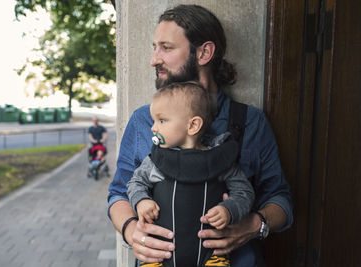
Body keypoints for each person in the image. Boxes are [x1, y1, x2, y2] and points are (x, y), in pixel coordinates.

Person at [108, 4, 293, 266]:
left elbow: (281, 200)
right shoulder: (143, 120)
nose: (154, 59)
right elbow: (118, 193)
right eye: (154, 47)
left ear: (204, 52)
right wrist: (131, 230)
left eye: (166, 47)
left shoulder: (251, 122)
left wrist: (253, 225)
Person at [126, 82, 254, 267]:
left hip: (211, 254)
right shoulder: (156, 161)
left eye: (161, 120)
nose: (153, 128)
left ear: (193, 125)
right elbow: (134, 183)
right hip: (159, 256)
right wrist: (141, 201)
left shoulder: (220, 160)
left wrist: (230, 209)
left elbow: (244, 192)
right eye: (153, 121)